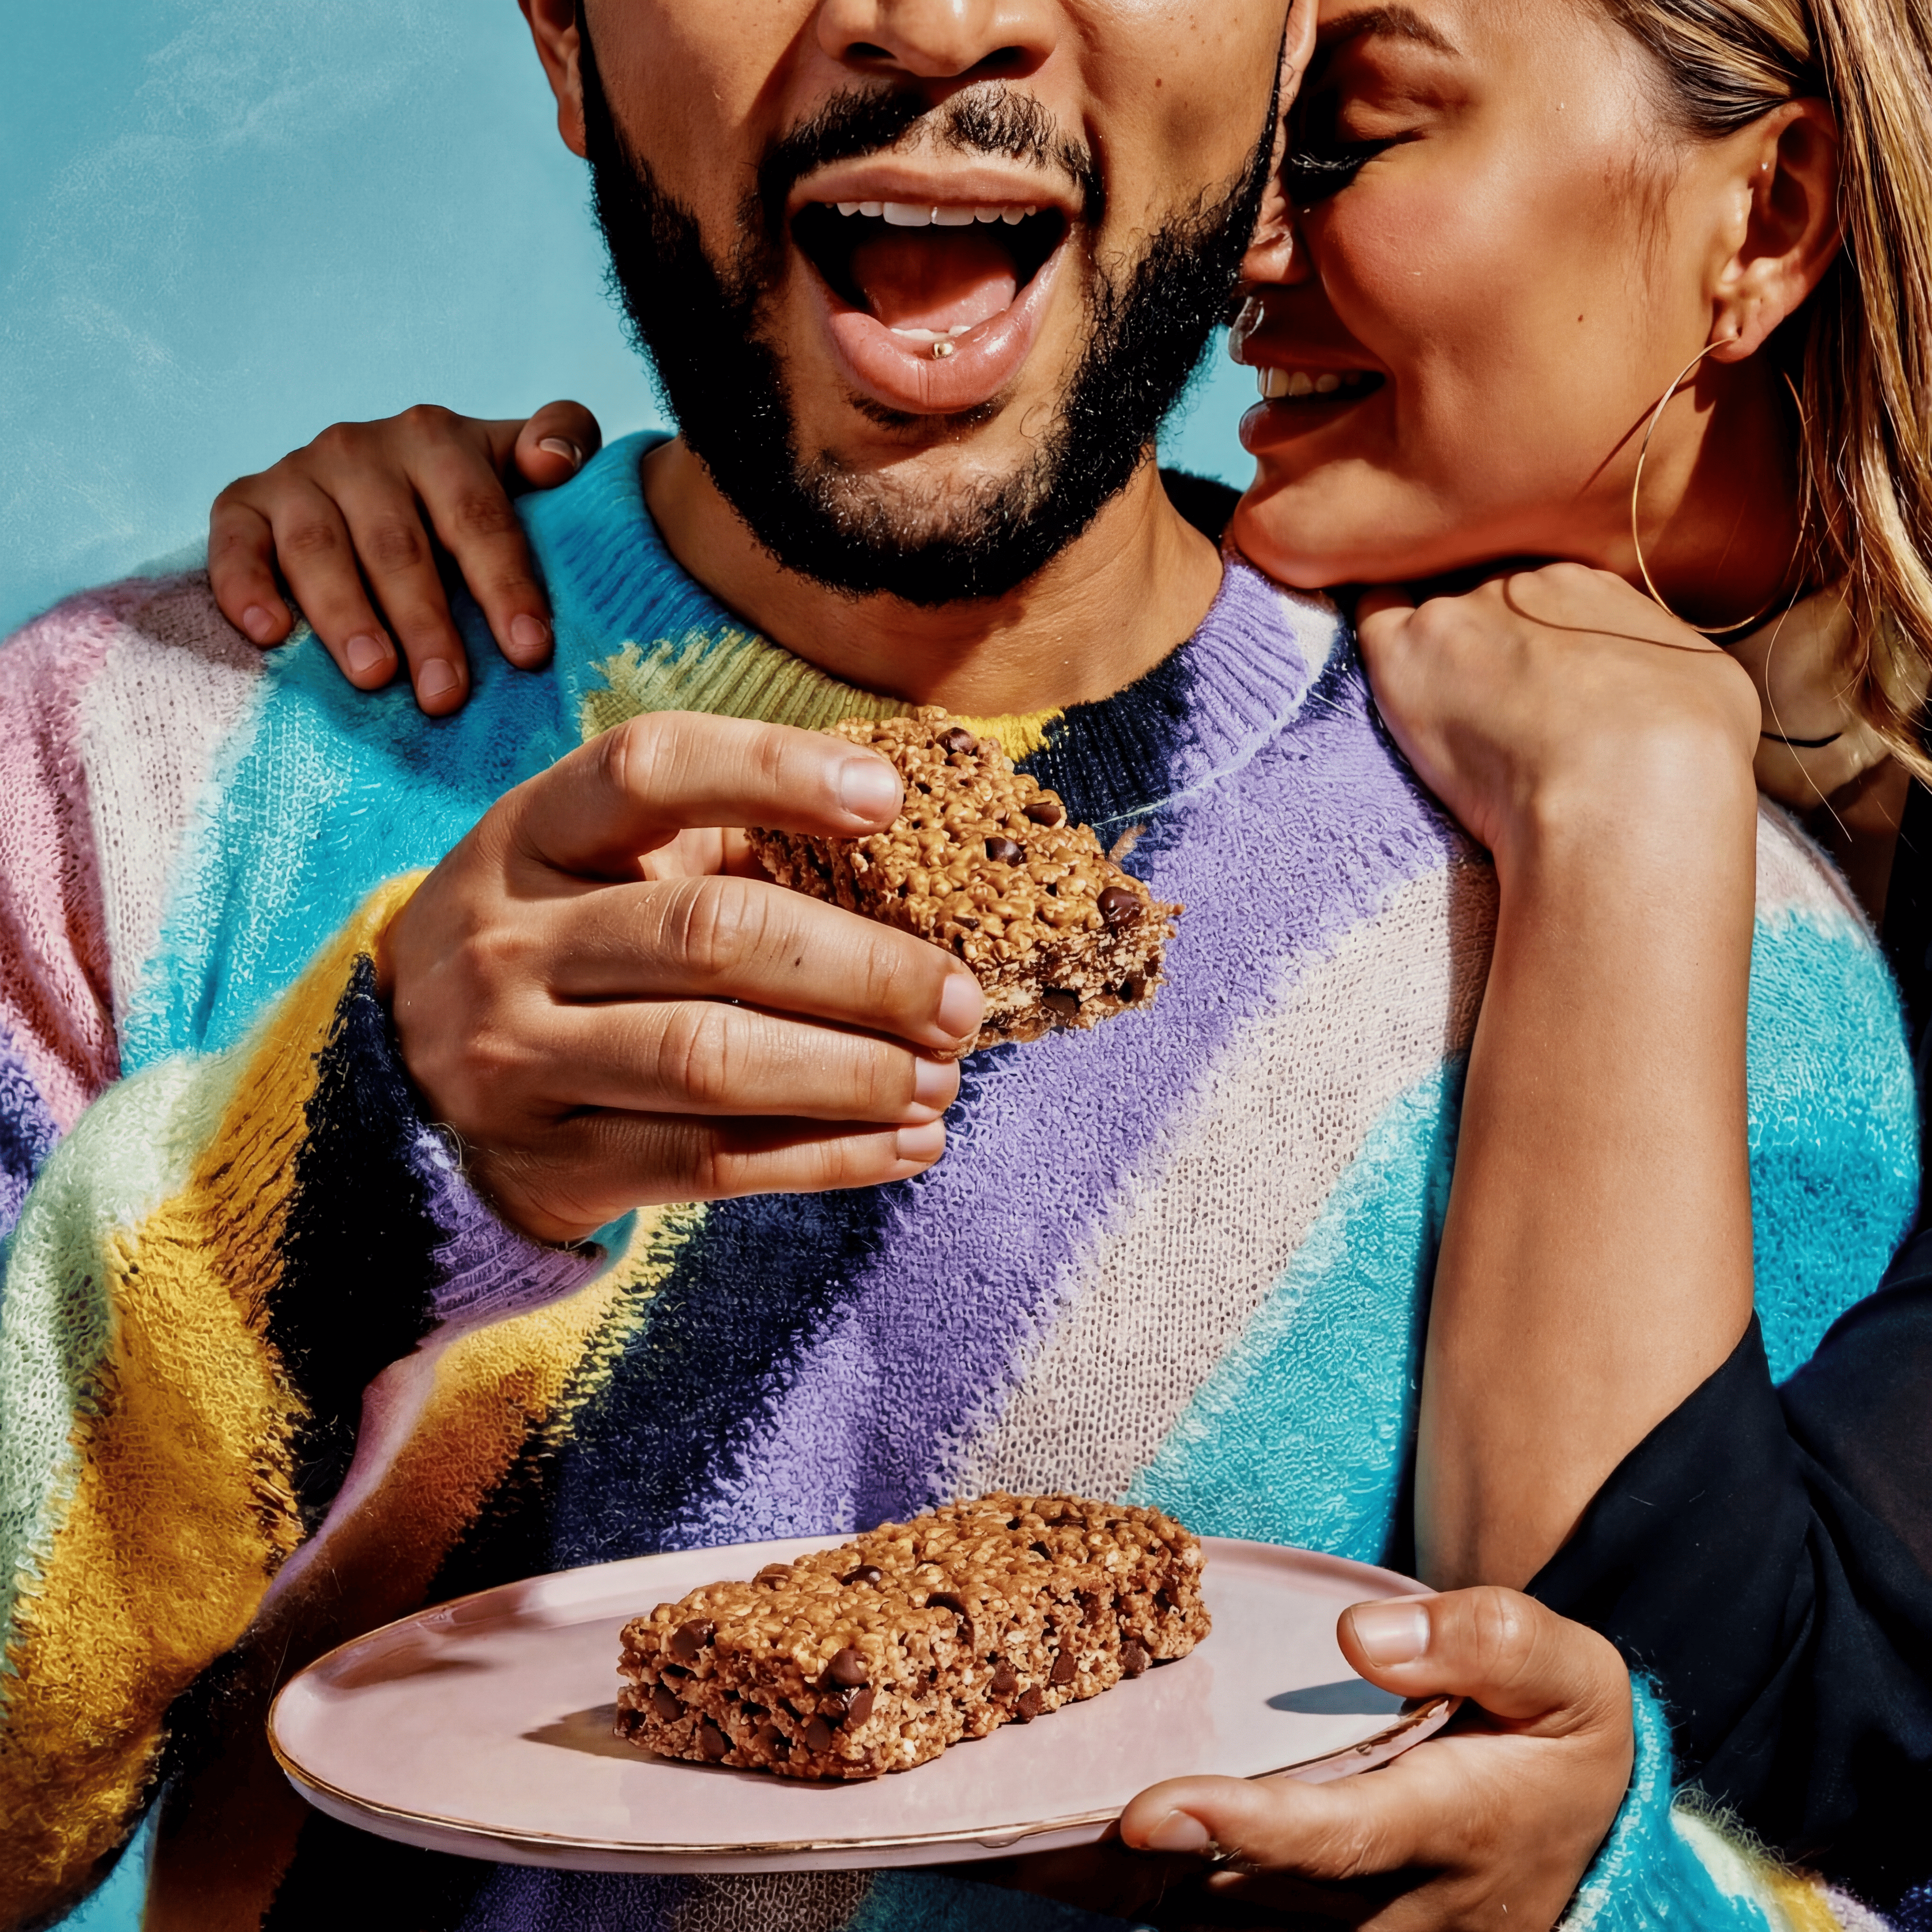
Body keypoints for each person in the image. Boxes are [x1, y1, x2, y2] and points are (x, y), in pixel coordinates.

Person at [0, 8, 1914, 1932]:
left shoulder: (1689, 966)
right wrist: (328, 1183)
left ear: (1277, 75)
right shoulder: (134, 777)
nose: (929, 14)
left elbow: (1797, 1847)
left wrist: (1589, 1897)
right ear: (567, 40)